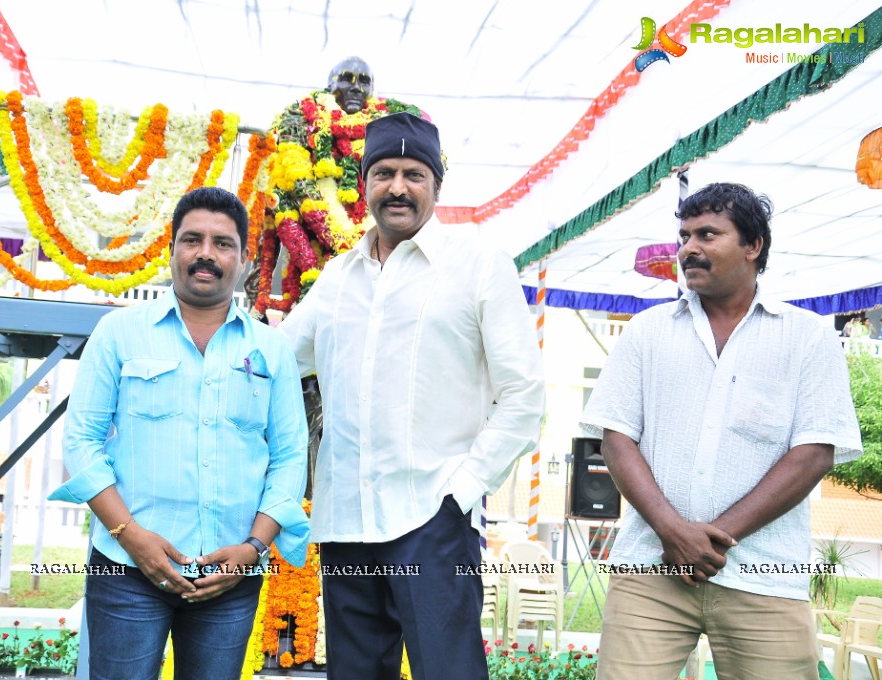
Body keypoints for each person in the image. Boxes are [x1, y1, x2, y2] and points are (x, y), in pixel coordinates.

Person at [279, 112, 545, 680]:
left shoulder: (478, 266)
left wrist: (462, 491)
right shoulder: (336, 279)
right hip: (346, 521)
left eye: (413, 174)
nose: (397, 187)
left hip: (432, 518)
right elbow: (275, 362)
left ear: (437, 185)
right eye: (384, 173)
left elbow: (523, 395)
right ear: (364, 185)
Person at [580, 182, 862, 679]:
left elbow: (815, 451)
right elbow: (616, 440)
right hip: (652, 568)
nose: (688, 248)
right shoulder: (646, 333)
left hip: (765, 574)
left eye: (707, 234)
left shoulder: (807, 337)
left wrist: (712, 541)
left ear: (753, 246)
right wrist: (672, 532)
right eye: (684, 235)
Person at [50, 187, 309, 680]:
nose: (206, 254)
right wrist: (131, 537)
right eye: (192, 240)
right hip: (126, 569)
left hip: (229, 575)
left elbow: (291, 455)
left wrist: (252, 549)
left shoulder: (272, 350)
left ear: (245, 258)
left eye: (222, 243)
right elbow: (81, 440)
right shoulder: (119, 332)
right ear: (172, 249)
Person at [250, 58, 427, 315]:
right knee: (280, 199)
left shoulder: (392, 119)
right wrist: (341, 241)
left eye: (364, 81)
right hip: (314, 240)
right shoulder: (300, 114)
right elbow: (296, 178)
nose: (355, 88)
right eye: (346, 79)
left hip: (378, 241)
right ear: (330, 85)